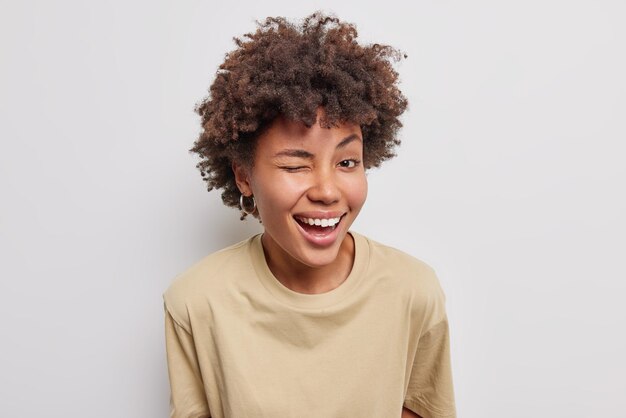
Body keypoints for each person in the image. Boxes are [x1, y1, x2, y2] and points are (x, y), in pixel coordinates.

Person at [163, 12, 456, 418]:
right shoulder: (196, 302)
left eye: (348, 162)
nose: (326, 191)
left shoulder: (413, 291)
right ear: (244, 176)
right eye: (296, 165)